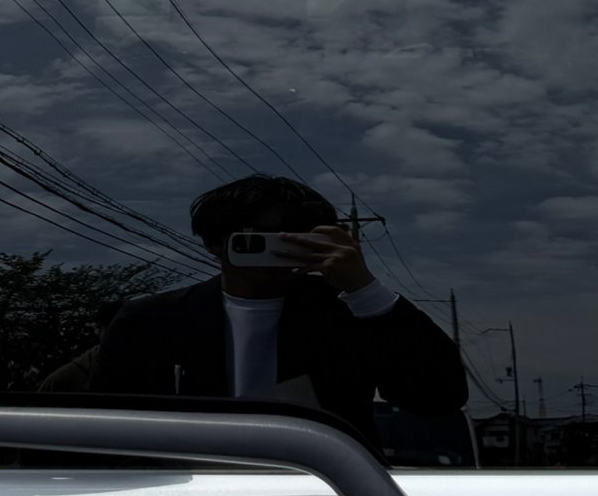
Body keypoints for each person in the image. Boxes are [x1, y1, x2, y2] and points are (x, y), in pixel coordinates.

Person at [82, 175, 467, 444]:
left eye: (293, 238)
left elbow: (438, 397)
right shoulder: (151, 321)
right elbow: (108, 431)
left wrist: (364, 287)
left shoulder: (348, 313)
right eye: (257, 240)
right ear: (215, 243)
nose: (276, 249)